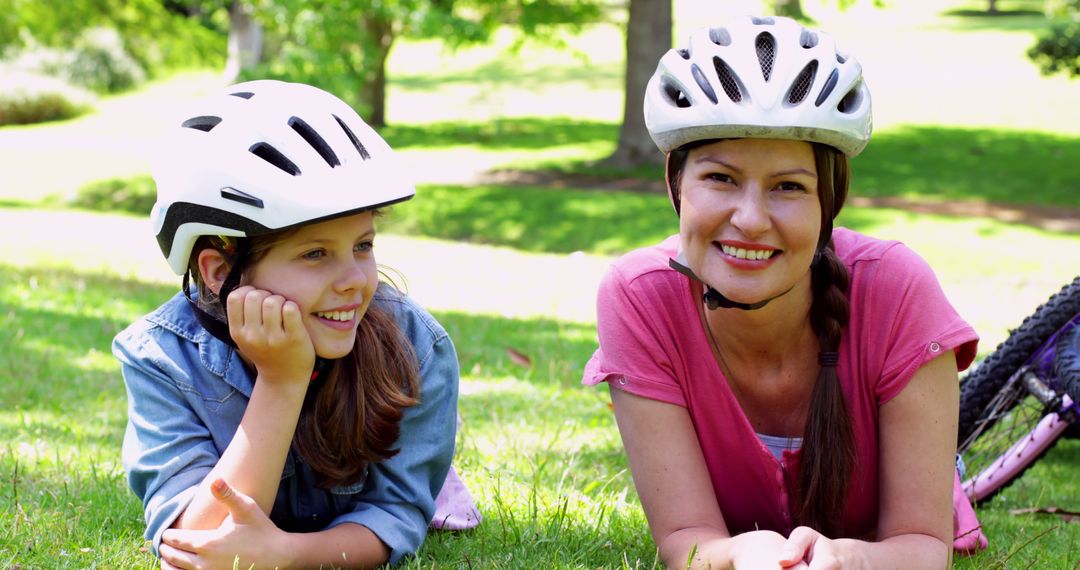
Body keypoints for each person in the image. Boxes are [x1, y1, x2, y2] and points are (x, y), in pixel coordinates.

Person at [583, 15, 986, 569]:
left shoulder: (898, 289)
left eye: (789, 187)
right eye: (720, 178)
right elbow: (686, 541)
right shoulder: (637, 298)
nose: (749, 220)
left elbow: (922, 548)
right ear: (676, 184)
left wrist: (847, 562)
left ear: (830, 203)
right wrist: (739, 555)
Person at [114, 79, 478, 569]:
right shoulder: (160, 356)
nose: (354, 280)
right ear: (221, 273)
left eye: (363, 245)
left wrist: (286, 554)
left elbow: (393, 516)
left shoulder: (417, 347)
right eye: (315, 254)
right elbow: (196, 545)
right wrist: (281, 381)